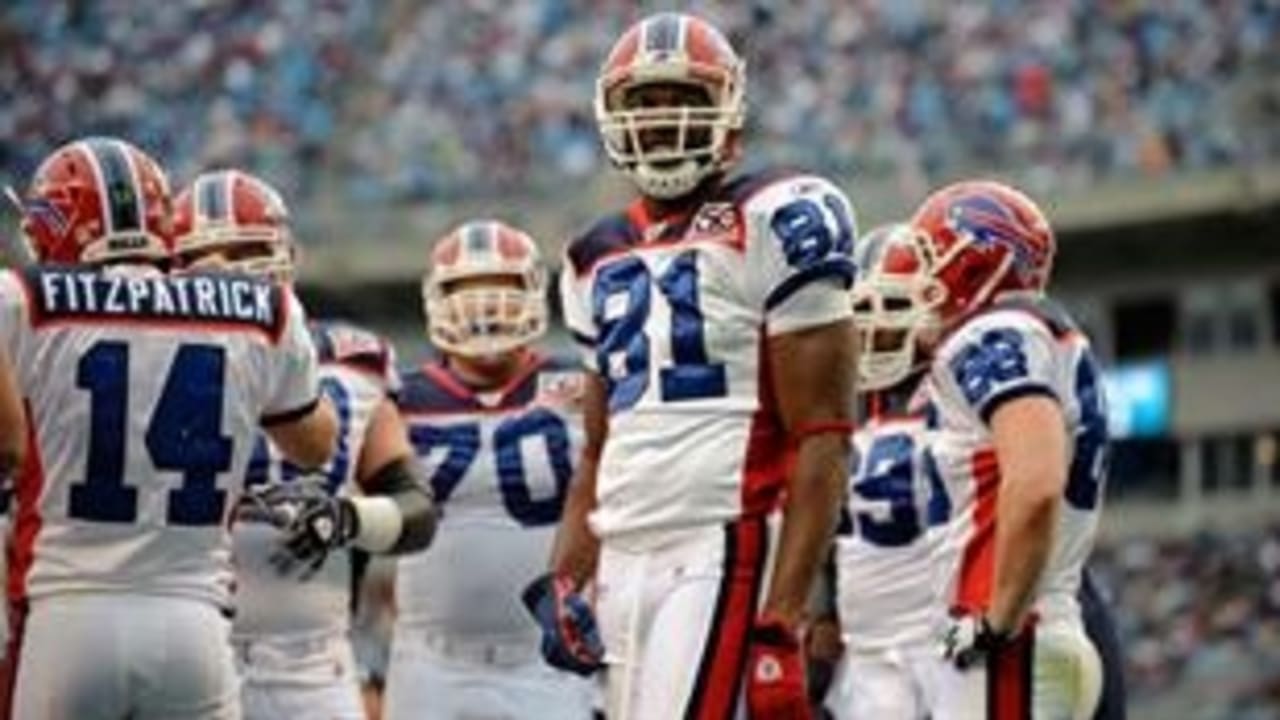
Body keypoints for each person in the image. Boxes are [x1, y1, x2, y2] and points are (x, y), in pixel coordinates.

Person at [535, 12, 858, 719]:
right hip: (623, 550)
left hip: (722, 537)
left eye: (682, 98)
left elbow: (825, 435)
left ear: (728, 108)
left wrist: (783, 616)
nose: (661, 120)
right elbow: (598, 449)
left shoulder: (779, 212)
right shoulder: (592, 254)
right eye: (642, 104)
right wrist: (566, 576)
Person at [0, 137, 337, 719]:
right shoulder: (262, 307)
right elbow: (316, 444)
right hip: (193, 620)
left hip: (67, 615)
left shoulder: (21, 299)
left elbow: (7, 447)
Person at [171, 169, 440, 720]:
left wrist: (346, 519)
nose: (237, 276)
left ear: (286, 255)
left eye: (250, 252)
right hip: (188, 650)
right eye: (213, 260)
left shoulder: (351, 363)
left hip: (314, 668)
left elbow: (418, 512)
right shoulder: (146, 363)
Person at [910, 180, 1108, 719]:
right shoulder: (1036, 333)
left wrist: (996, 621)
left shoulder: (991, 332)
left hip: (1015, 642)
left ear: (979, 263)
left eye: (933, 257)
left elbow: (1038, 480)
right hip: (1040, 627)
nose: (919, 275)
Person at [386, 220, 594, 720]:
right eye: (466, 289)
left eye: (502, 287)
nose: (484, 305)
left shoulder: (582, 386)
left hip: (547, 658)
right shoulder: (398, 397)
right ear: (435, 297)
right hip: (429, 660)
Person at [822, 223, 947, 720]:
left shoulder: (963, 386)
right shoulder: (841, 399)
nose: (877, 329)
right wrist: (823, 614)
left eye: (893, 308)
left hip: (948, 639)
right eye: (863, 313)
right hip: (867, 647)